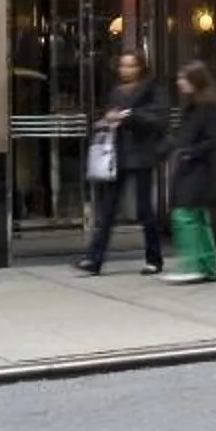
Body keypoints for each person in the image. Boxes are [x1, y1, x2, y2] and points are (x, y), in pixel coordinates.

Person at [78, 50, 169, 275]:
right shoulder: (116, 92)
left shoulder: (152, 90)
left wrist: (129, 116)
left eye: (130, 65)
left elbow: (158, 120)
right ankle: (94, 259)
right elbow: (110, 116)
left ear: (140, 67)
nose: (125, 70)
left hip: (141, 155)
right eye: (122, 65)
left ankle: (154, 258)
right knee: (108, 210)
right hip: (117, 155)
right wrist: (105, 122)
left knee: (144, 209)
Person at [162, 61, 216, 285]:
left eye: (183, 78)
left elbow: (215, 139)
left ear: (195, 81)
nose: (179, 82)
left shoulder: (206, 108)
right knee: (199, 218)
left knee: (184, 216)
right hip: (195, 167)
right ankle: (208, 266)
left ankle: (192, 265)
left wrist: (189, 152)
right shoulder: (196, 105)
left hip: (197, 169)